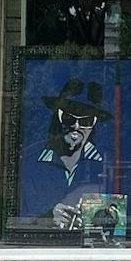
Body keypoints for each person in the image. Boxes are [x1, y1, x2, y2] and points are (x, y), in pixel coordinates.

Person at [21, 78, 112, 227]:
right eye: (69, 118)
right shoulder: (30, 162)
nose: (76, 126)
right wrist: (47, 219)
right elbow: (16, 219)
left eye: (86, 121)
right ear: (57, 117)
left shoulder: (108, 164)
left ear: (93, 125)